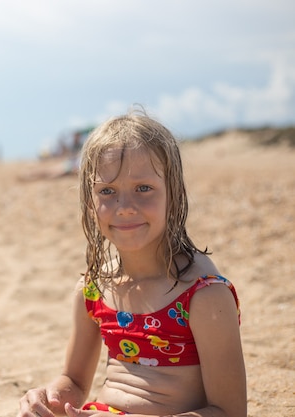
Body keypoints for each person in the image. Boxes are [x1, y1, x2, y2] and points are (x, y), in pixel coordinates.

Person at [17, 109, 246, 417]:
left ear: (174, 194)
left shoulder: (204, 296)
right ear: (90, 201)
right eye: (107, 191)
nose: (125, 208)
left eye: (143, 188)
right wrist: (48, 397)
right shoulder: (94, 289)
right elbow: (73, 381)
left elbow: (229, 412)